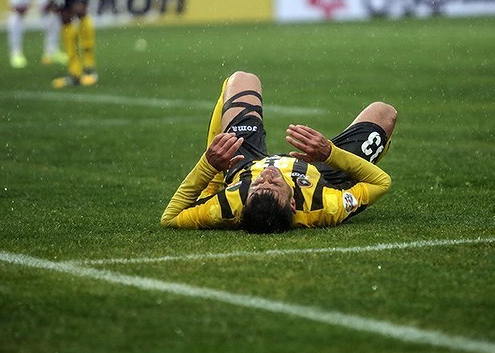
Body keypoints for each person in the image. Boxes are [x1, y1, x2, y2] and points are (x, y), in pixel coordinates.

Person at [160, 71, 396, 233]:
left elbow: (169, 218)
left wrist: (210, 167)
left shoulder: (228, 206)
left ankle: (222, 166)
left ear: (244, 204)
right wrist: (330, 153)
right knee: (384, 113)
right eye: (273, 186)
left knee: (242, 79)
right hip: (322, 173)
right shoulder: (326, 206)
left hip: (244, 164)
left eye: (258, 186)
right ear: (292, 204)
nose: (267, 176)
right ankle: (344, 173)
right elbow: (382, 182)